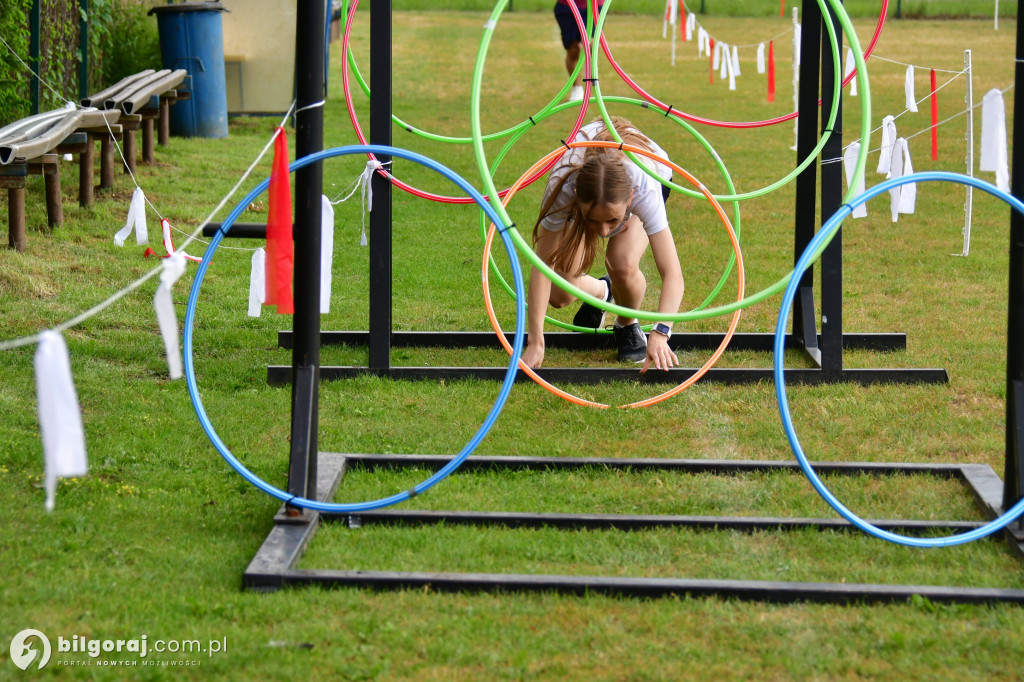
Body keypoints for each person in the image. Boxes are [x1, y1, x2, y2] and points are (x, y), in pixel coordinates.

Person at [522, 116, 684, 372]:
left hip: (651, 171)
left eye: (613, 220)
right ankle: (602, 292)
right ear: (577, 199)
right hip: (589, 182)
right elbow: (543, 265)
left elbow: (672, 273)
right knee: (560, 293)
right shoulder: (562, 184)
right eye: (595, 221)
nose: (605, 232)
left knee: (622, 263)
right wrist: (535, 341)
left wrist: (661, 332)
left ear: (630, 198)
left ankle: (627, 323)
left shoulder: (644, 187)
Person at [554, 0, 605, 101]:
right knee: (573, 49)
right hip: (567, 7)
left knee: (591, 44)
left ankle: (590, 75)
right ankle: (577, 88)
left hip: (594, 5)